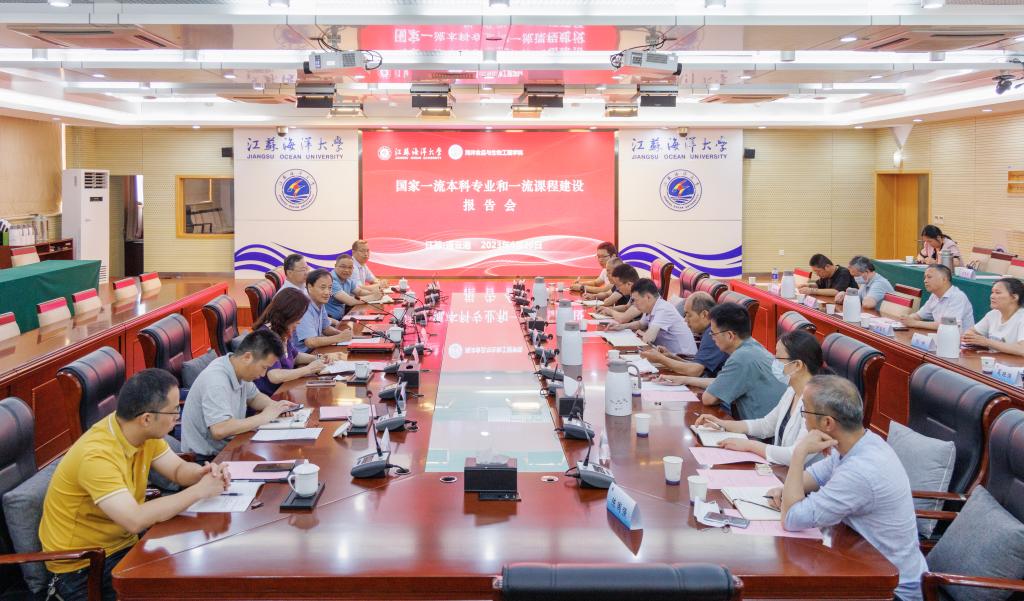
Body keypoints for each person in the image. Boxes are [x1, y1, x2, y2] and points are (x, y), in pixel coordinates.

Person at [40, 369, 230, 601]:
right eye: (174, 411)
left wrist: (201, 473)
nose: (176, 417)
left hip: (124, 546)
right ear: (147, 418)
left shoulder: (140, 432)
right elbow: (134, 519)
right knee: (186, 587)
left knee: (201, 568)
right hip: (83, 567)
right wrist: (199, 491)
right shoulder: (96, 455)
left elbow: (177, 470)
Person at [767, 375, 926, 601]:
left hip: (891, 590)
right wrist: (786, 491)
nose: (803, 418)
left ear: (827, 423)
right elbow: (813, 476)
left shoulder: (861, 470)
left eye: (804, 411)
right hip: (861, 562)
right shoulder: (861, 443)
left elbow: (791, 519)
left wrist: (800, 453)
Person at [694, 330, 830, 465]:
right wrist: (724, 425)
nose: (774, 363)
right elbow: (766, 425)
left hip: (803, 476)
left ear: (797, 365)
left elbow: (795, 454)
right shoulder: (792, 391)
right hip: (782, 470)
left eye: (778, 358)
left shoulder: (818, 404)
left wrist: (749, 445)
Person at [181, 329, 299, 460]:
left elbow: (255, 397)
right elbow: (220, 429)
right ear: (247, 357)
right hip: (208, 459)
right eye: (264, 367)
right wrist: (264, 417)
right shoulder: (216, 380)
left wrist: (276, 407)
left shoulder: (237, 368)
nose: (263, 374)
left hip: (232, 447)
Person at [662, 302, 785, 420]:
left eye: (713, 333)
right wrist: (685, 379)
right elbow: (723, 382)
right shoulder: (752, 346)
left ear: (730, 335)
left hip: (762, 431)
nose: (712, 337)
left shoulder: (741, 357)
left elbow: (709, 399)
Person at [252, 288, 326, 395]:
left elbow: (295, 356)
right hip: (271, 396)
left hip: (285, 389)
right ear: (287, 314)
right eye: (298, 316)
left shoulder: (282, 331)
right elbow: (275, 376)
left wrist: (318, 358)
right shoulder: (266, 337)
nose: (300, 321)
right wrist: (309, 369)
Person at [641, 291, 727, 378]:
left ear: (704, 315)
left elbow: (695, 371)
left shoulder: (713, 333)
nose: (685, 320)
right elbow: (697, 365)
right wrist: (671, 357)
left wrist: (661, 359)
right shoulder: (710, 329)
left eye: (688, 315)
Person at [608, 278, 696, 356]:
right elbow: (641, 324)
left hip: (683, 359)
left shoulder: (663, 309)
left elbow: (648, 339)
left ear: (648, 297)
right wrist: (621, 326)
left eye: (635, 300)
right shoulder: (652, 307)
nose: (634, 304)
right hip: (668, 356)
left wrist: (644, 334)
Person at [296, 269, 356, 353]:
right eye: (323, 287)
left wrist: (342, 334)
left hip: (315, 350)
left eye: (330, 287)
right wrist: (339, 337)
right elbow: (310, 342)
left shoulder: (319, 302)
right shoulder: (304, 307)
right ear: (310, 287)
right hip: (303, 355)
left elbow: (326, 329)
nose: (327, 292)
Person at [901, 264, 975, 330]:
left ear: (944, 279)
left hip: (960, 339)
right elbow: (919, 315)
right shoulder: (934, 295)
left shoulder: (958, 297)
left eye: (929, 277)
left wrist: (915, 323)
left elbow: (947, 324)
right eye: (925, 278)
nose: (925, 281)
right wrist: (907, 319)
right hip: (942, 336)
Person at [962, 277, 1024, 356]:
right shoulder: (993, 314)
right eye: (992, 292)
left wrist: (987, 342)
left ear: (1014, 297)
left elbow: (1022, 349)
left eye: (998, 293)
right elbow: (971, 331)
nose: (992, 296)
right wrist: (972, 338)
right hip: (994, 360)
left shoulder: (1021, 318)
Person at [326, 254, 379, 320]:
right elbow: (350, 301)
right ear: (335, 266)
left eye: (350, 267)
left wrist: (376, 294)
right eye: (343, 267)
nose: (347, 270)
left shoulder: (348, 279)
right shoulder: (331, 280)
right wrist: (373, 297)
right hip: (330, 321)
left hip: (342, 317)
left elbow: (359, 291)